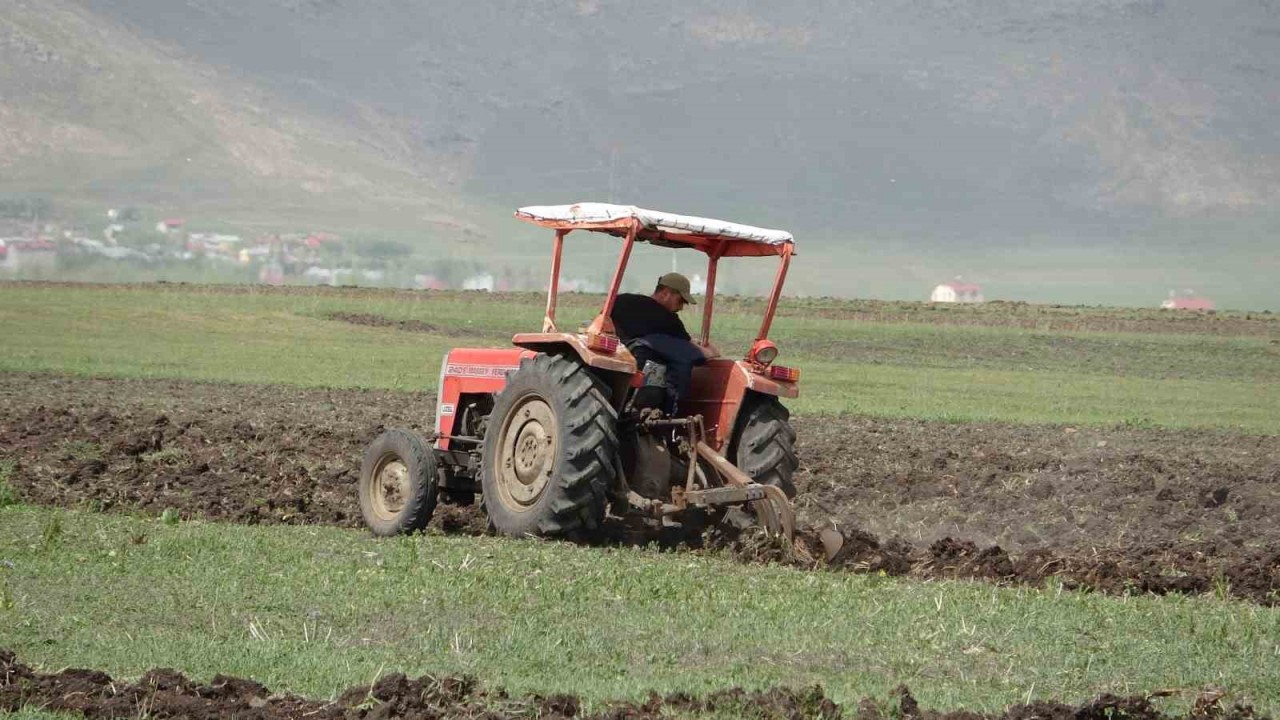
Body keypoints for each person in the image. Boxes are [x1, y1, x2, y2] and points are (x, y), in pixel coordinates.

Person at [610, 272, 717, 409]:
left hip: (613, 360)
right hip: (641, 369)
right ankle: (669, 410)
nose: (680, 308)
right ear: (666, 293)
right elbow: (702, 353)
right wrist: (710, 350)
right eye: (680, 301)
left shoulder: (621, 301)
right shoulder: (668, 320)